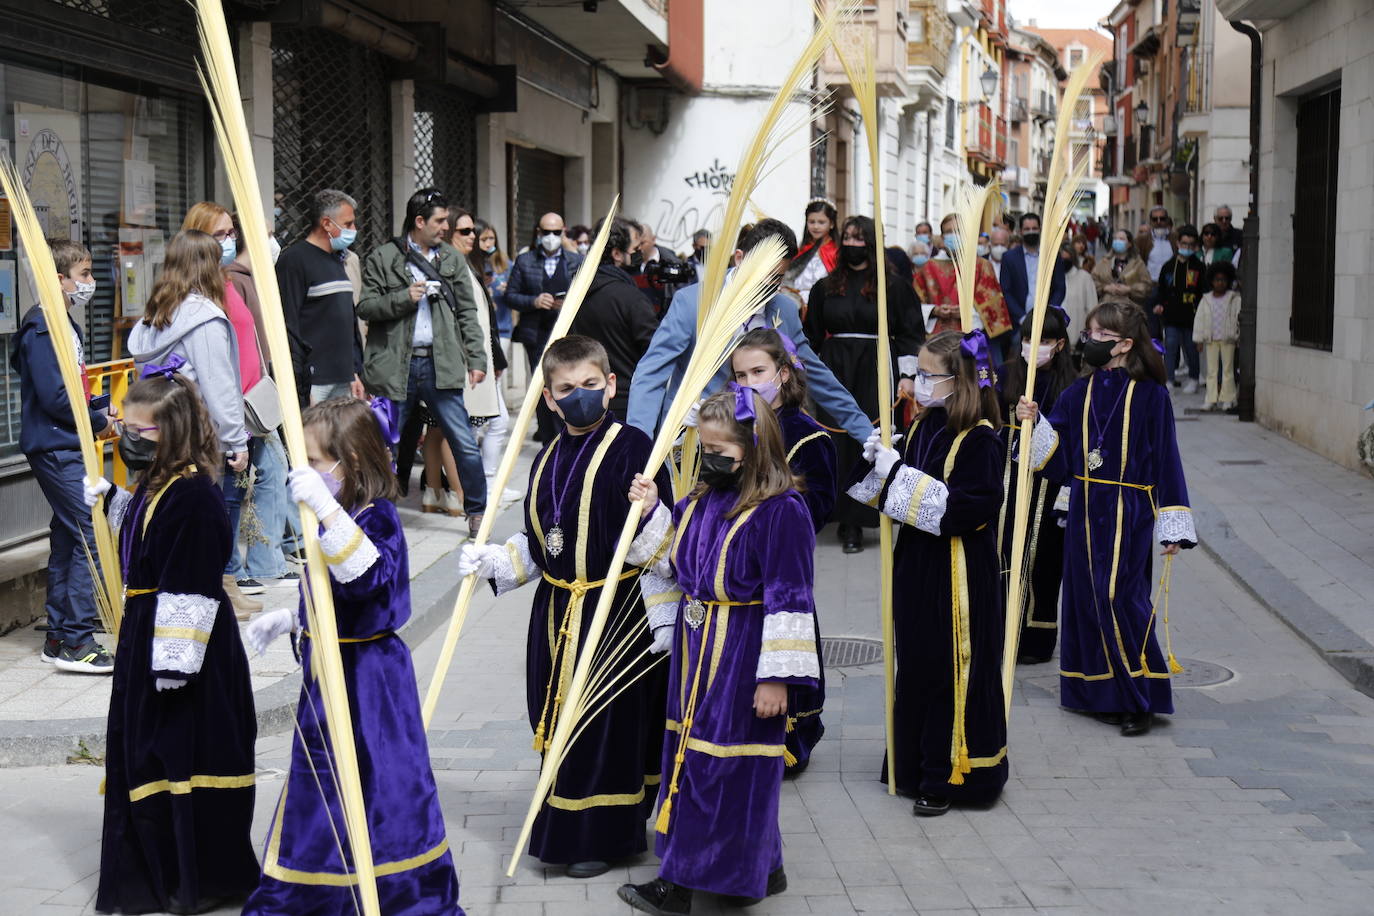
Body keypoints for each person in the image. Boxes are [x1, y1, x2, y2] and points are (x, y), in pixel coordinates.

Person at [457, 336, 673, 879]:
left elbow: (668, 547)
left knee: (602, 726)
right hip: (556, 611)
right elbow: (541, 541)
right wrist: (493, 560)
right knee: (557, 722)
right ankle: (566, 824)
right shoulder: (547, 457)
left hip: (616, 610)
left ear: (611, 385)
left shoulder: (635, 449)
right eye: (567, 388)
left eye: (591, 385)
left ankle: (603, 835)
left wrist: (651, 511)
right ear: (550, 399)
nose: (580, 396)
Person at [241, 397, 462, 914]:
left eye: (316, 461)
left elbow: (367, 579)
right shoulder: (333, 516)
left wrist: (325, 508)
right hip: (328, 675)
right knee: (322, 784)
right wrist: (293, 619)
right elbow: (330, 591)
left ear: (351, 461)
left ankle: (394, 890)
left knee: (381, 787)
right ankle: (315, 890)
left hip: (370, 682)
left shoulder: (376, 515)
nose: (307, 472)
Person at [618, 388, 819, 914]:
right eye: (703, 448)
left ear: (753, 449)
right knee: (693, 754)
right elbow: (672, 558)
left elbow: (791, 597)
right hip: (695, 650)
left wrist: (776, 678)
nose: (706, 459)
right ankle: (758, 866)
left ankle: (680, 884)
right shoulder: (701, 500)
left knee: (726, 764)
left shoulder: (782, 511)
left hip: (743, 652)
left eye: (718, 451)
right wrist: (652, 509)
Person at [91, 371, 258, 914]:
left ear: (167, 432)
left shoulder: (195, 495)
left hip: (184, 649)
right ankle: (153, 868)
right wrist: (115, 502)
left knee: (182, 751)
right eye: (123, 426)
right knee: (145, 754)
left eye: (136, 430)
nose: (126, 437)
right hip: (146, 634)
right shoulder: (157, 486)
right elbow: (146, 540)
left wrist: (174, 664)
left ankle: (195, 878)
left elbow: (189, 577)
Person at [848, 329, 1008, 816]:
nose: (917, 381)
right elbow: (896, 501)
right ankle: (914, 764)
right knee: (917, 664)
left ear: (958, 380)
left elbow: (963, 510)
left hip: (958, 572)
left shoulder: (981, 439)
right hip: (918, 564)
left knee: (950, 668)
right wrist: (878, 467)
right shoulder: (923, 426)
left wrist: (899, 474)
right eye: (915, 372)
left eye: (927, 374)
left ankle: (950, 774)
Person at [1017, 301, 1195, 737]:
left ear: (1125, 345)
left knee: (1120, 599)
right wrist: (1032, 422)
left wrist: (1172, 525)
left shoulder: (1152, 396)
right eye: (1088, 334)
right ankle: (1097, 693)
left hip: (1128, 511)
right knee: (1086, 600)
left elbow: (1167, 461)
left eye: (1100, 336)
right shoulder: (1078, 393)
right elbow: (1056, 459)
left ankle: (1139, 697)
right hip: (1083, 507)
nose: (1090, 342)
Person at [627, 218, 871, 446]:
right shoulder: (693, 303)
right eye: (761, 275)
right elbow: (652, 373)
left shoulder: (784, 310)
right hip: (694, 437)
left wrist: (868, 434)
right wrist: (637, 442)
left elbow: (817, 375)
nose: (767, 285)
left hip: (759, 443)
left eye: (776, 278)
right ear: (739, 258)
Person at [730, 328, 836, 773]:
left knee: (782, 641)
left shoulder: (808, 436)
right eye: (740, 375)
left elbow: (816, 509)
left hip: (778, 569)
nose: (749, 383)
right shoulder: (731, 428)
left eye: (759, 372)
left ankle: (792, 736)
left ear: (784, 373)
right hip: (733, 572)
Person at [356, 188, 490, 536]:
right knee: (385, 442)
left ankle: (477, 512)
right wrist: (404, 297)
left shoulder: (451, 259)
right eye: (440, 220)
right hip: (395, 367)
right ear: (419, 221)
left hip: (439, 365)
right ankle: (377, 511)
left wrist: (477, 358)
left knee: (463, 440)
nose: (446, 227)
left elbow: (467, 313)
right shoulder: (384, 256)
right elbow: (366, 307)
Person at [11, 238, 114, 671]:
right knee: (91, 533)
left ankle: (58, 634)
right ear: (59, 280)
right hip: (56, 446)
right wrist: (95, 421)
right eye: (83, 274)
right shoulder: (42, 328)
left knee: (70, 535)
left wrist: (99, 409)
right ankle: (77, 640)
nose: (90, 282)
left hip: (66, 442)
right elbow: (55, 396)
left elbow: (71, 387)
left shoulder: (62, 323)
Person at [803, 215, 924, 554]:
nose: (852, 244)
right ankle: (838, 512)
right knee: (835, 439)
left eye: (859, 238)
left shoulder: (893, 287)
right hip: (834, 368)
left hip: (877, 366)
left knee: (869, 437)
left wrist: (907, 375)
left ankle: (861, 516)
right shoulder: (825, 287)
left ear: (870, 243)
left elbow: (911, 333)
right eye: (847, 237)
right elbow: (811, 337)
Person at [180, 201, 270, 609]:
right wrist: (232, 429)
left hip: (246, 406)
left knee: (232, 499)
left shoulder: (226, 281)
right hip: (220, 416)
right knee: (222, 501)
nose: (228, 241)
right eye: (219, 235)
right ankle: (222, 583)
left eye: (231, 233)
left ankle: (227, 580)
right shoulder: (199, 295)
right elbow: (214, 369)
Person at [225, 212, 299, 586]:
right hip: (243, 401)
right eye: (268, 233)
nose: (274, 241)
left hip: (258, 396)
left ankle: (264, 561)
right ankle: (244, 567)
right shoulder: (232, 281)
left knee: (272, 469)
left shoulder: (255, 278)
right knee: (243, 482)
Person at [998, 310, 1076, 664]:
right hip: (1008, 479)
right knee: (1004, 551)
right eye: (1029, 339)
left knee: (1042, 558)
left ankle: (1036, 638)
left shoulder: (1072, 384)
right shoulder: (1005, 375)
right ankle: (1001, 632)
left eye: (1044, 341)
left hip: (1048, 485)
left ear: (1059, 344)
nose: (1035, 347)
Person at [274, 189, 366, 405]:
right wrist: (299, 385)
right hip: (314, 382)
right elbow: (288, 324)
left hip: (343, 379)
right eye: (348, 224)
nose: (353, 230)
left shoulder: (338, 260)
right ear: (326, 223)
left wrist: (353, 371)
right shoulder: (294, 261)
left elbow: (348, 322)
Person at [567, 218, 659, 417]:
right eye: (635, 248)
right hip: (625, 402)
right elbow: (654, 351)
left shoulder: (575, 291)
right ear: (617, 254)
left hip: (583, 399)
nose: (639, 253)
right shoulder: (631, 298)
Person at [506, 212, 585, 443]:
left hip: (567, 334)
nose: (551, 237)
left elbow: (586, 295)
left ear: (563, 232)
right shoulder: (525, 260)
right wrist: (534, 301)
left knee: (567, 383)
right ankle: (548, 438)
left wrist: (568, 302)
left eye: (556, 232)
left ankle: (567, 434)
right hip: (536, 334)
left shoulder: (576, 261)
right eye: (547, 232)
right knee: (541, 386)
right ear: (539, 233)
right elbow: (510, 295)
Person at [916, 213, 1011, 342]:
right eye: (949, 232)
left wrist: (966, 313)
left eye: (958, 231)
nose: (954, 235)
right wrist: (934, 310)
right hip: (937, 340)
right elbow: (914, 305)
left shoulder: (981, 266)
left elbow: (992, 306)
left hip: (971, 338)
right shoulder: (927, 268)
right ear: (942, 238)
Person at [997, 212, 1067, 351]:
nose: (1031, 232)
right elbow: (1006, 291)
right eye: (1027, 229)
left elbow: (1060, 288)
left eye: (1034, 228)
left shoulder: (1052, 255)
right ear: (1020, 231)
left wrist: (1049, 314)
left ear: (1040, 229)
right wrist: (1022, 318)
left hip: (1048, 322)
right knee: (1018, 358)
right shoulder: (1009, 258)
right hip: (1019, 323)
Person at [1156, 224, 1205, 392]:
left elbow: (1203, 291)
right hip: (1171, 316)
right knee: (1170, 347)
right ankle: (1168, 379)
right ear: (1177, 243)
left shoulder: (1199, 267)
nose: (1187, 248)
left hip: (1192, 317)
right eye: (1184, 244)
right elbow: (1161, 289)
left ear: (1195, 246)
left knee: (1191, 348)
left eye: (1191, 245)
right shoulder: (1168, 266)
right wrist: (1160, 304)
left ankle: (1194, 378)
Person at [1193, 261, 1241, 411]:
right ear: (1211, 281)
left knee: (1228, 370)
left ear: (1228, 281)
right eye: (1217, 280)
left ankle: (1228, 399)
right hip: (1211, 339)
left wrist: (1238, 337)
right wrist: (1199, 340)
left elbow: (1238, 318)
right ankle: (1211, 399)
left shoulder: (1234, 299)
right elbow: (1199, 320)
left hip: (1228, 339)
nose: (1220, 283)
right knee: (1211, 371)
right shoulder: (1206, 299)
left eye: (1223, 280)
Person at [784, 198, 839, 307]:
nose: (816, 226)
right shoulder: (801, 249)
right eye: (811, 222)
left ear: (831, 224)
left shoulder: (836, 251)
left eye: (821, 222)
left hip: (825, 302)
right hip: (797, 302)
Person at [1091, 230, 1152, 312]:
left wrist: (1129, 289)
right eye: (1115, 239)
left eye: (1121, 239)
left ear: (1129, 244)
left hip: (1129, 309)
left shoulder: (1138, 263)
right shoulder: (1104, 262)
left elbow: (1147, 286)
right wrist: (1105, 288)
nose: (1117, 241)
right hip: (1107, 308)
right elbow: (1092, 280)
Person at [1059, 243, 1099, 336]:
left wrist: (1088, 334)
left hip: (1078, 335)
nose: (1063, 261)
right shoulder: (1051, 279)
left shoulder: (1085, 278)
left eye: (1066, 258)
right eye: (1061, 258)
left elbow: (1092, 309)